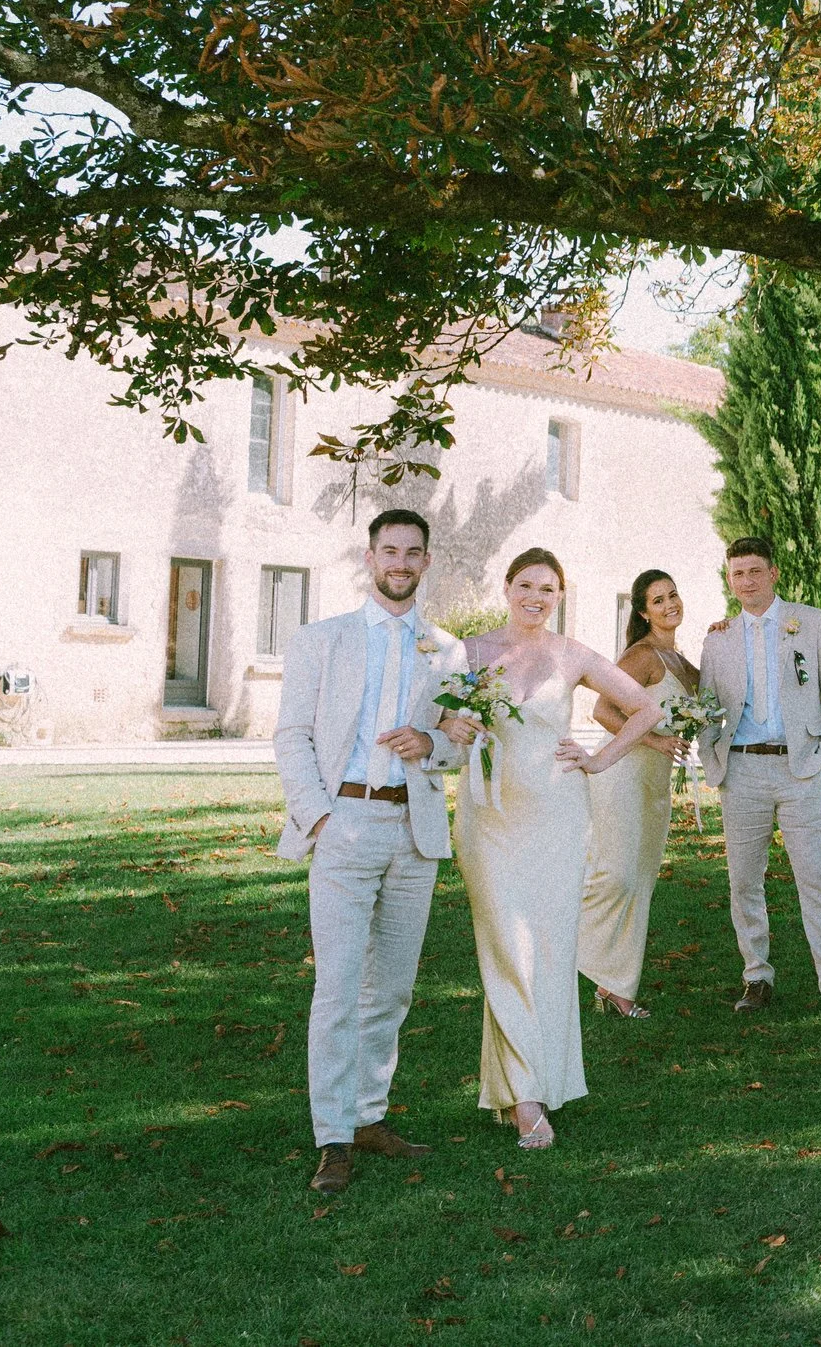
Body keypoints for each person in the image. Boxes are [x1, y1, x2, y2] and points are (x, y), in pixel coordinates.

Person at [440, 549, 661, 1148]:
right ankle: (525, 1097)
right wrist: (455, 726)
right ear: (507, 587)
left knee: (552, 950)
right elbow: (440, 720)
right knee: (507, 946)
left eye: (549, 589)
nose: (536, 597)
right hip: (490, 817)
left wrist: (597, 760)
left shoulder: (573, 656)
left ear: (560, 596)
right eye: (526, 586)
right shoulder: (472, 653)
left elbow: (646, 709)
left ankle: (535, 1084)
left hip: (558, 818)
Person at [273, 508, 464, 1195]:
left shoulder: (446, 650)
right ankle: (332, 1138)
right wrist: (320, 818)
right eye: (390, 550)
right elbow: (291, 735)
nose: (401, 562)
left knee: (393, 986)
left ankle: (368, 1114)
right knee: (338, 987)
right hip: (344, 823)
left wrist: (432, 743)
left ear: (427, 561)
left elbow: (460, 737)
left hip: (413, 831)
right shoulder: (322, 639)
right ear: (370, 556)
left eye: (413, 552)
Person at [696, 537, 821, 1017]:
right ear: (730, 579)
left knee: (816, 875)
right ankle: (756, 976)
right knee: (744, 879)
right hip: (741, 767)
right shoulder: (718, 636)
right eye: (737, 573)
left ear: (773, 573)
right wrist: (711, 759)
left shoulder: (809, 622)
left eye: (754, 571)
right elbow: (706, 708)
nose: (746, 581)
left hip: (799, 767)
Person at [578, 569, 698, 1020]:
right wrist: (655, 740)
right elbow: (602, 709)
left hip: (656, 782)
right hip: (622, 774)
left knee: (641, 883)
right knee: (617, 877)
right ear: (644, 612)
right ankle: (553, 944)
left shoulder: (681, 662)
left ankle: (617, 989)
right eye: (659, 600)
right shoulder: (643, 656)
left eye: (674, 595)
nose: (670, 605)